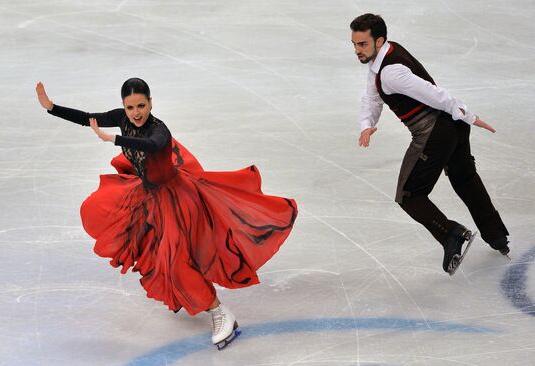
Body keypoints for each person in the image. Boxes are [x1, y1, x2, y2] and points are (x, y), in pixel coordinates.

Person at [35, 78, 297, 349]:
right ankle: (193, 295)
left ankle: (220, 312)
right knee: (106, 214)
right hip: (148, 196)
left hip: (177, 199)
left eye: (141, 106)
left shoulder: (160, 130)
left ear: (150, 103)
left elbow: (149, 145)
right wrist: (51, 107)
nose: (136, 113)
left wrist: (113, 138)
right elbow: (88, 118)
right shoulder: (122, 118)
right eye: (130, 107)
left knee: (175, 260)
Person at [350, 14, 509, 275]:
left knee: (409, 196)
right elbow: (372, 96)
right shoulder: (386, 54)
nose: (357, 50)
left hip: (435, 130)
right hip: (452, 127)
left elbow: (435, 94)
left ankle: (451, 235)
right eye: (355, 44)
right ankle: (497, 236)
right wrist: (366, 124)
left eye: (362, 44)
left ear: (378, 40)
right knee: (465, 178)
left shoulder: (391, 72)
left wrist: (469, 115)